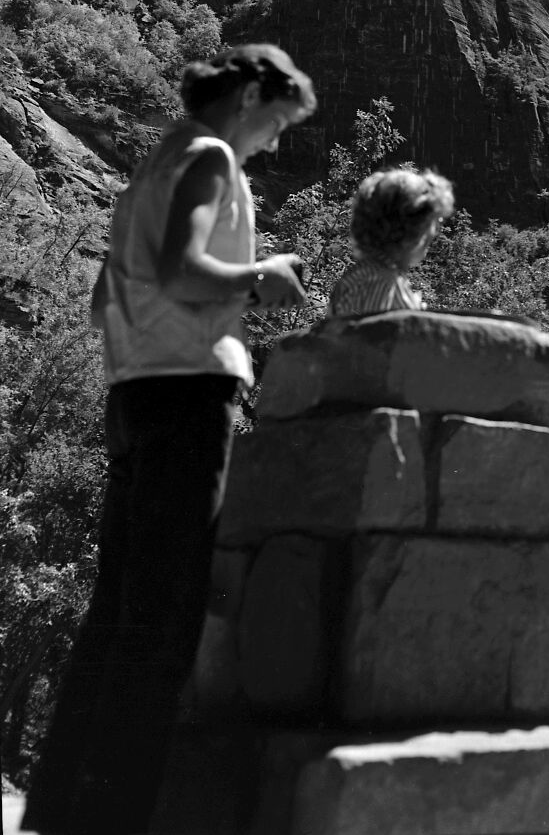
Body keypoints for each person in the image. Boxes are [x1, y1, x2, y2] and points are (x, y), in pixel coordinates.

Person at [22, 44, 316, 835]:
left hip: (131, 392)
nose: (277, 141)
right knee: (167, 610)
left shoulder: (145, 172)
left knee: (117, 607)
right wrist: (262, 272)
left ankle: (60, 805)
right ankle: (115, 813)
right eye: (280, 121)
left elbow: (99, 304)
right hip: (189, 393)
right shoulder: (211, 156)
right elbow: (184, 268)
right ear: (253, 93)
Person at [329, 167, 453, 317]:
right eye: (433, 222)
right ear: (412, 229)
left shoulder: (363, 275)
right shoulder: (382, 285)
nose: (435, 231)